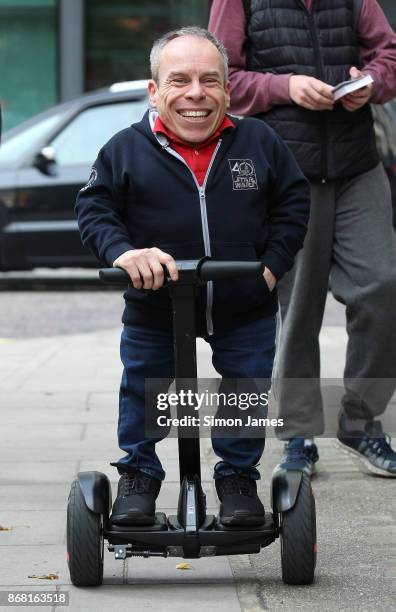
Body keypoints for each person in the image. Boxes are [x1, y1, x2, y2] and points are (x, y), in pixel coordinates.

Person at [75, 27, 310, 527]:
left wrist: (271, 267)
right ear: (154, 90)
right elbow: (95, 210)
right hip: (155, 302)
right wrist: (123, 252)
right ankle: (138, 475)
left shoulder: (258, 141)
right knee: (144, 385)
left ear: (228, 88)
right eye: (178, 80)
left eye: (210, 80)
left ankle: (237, 479)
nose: (196, 93)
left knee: (244, 389)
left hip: (243, 298)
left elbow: (293, 202)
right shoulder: (125, 149)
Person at [209, 0, 396, 477]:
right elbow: (220, 77)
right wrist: (284, 86)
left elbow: (388, 54)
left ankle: (360, 419)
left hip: (358, 165)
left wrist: (371, 83)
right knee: (298, 307)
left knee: (383, 285)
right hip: (286, 170)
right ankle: (297, 433)